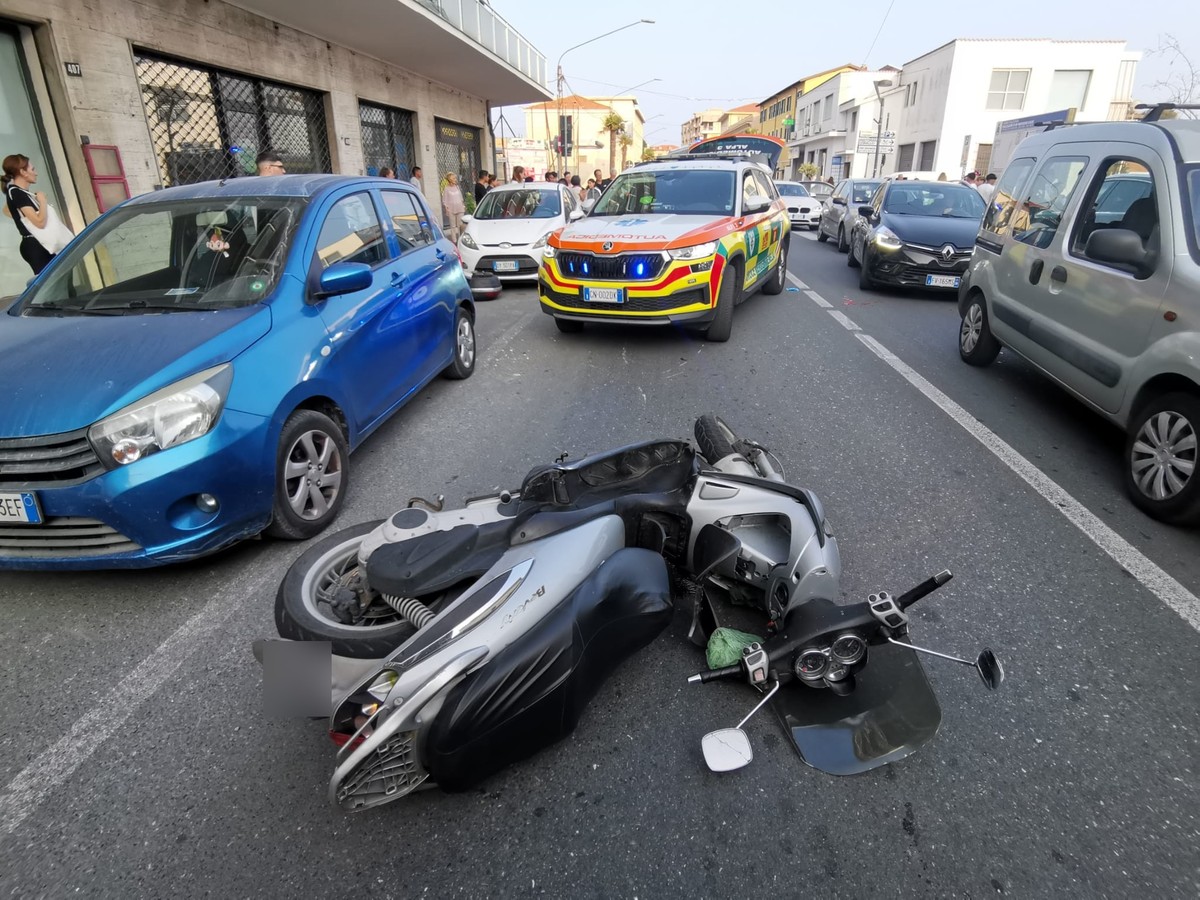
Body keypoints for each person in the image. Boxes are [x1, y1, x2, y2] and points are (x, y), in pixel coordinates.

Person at [2, 153, 57, 274]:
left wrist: (23, 221)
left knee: (62, 284)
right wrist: (42, 201)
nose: (35, 173)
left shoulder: (21, 192)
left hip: (40, 243)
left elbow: (7, 210)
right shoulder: (17, 193)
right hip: (36, 246)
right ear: (23, 172)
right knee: (53, 287)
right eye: (32, 169)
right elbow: (40, 222)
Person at [441, 173, 465, 242]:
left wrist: (463, 205)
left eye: (455, 178)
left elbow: (461, 197)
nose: (455, 180)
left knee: (460, 225)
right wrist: (446, 208)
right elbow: (444, 200)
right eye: (454, 178)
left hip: (460, 208)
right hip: (451, 209)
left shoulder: (457, 187)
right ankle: (454, 240)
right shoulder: (446, 188)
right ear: (450, 179)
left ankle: (461, 239)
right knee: (453, 226)